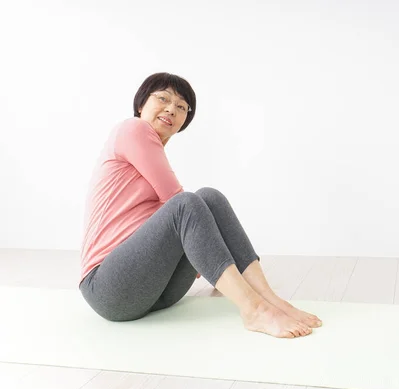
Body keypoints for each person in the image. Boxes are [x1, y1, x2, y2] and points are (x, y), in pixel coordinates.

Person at [79, 72, 321, 338]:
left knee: (209, 197)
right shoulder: (132, 129)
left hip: (155, 292)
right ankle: (254, 310)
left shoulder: (147, 148)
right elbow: (176, 201)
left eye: (182, 107)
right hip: (108, 289)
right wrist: (207, 252)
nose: (172, 108)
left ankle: (271, 299)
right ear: (141, 105)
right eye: (163, 98)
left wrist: (204, 252)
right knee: (187, 203)